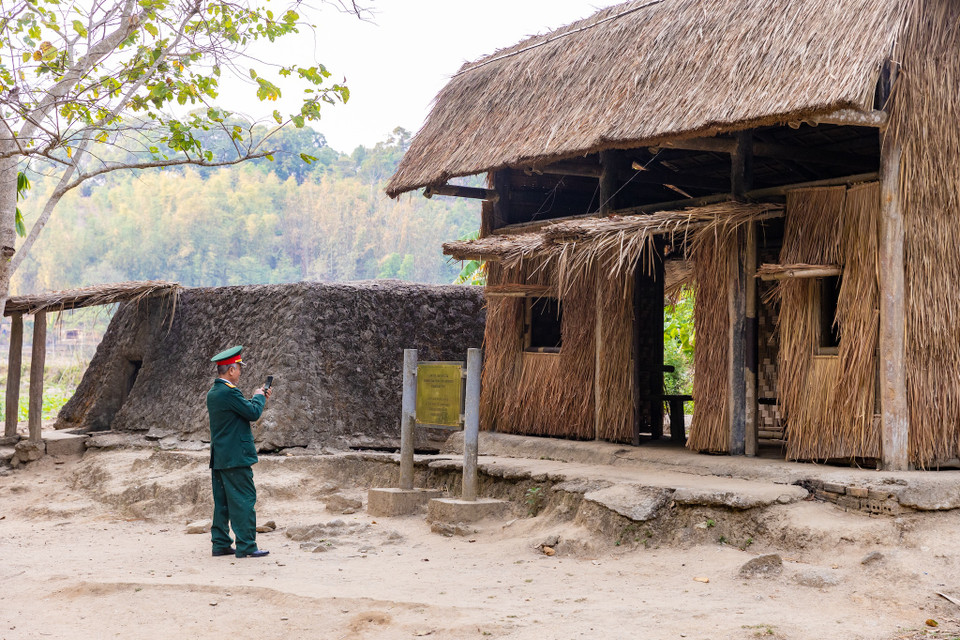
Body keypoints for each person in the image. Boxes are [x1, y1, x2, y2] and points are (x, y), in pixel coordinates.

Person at [207, 345, 272, 559]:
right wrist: (259, 396)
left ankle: (220, 543)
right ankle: (246, 545)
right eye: (239, 368)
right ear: (231, 370)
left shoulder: (214, 392)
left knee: (223, 501)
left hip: (221, 457)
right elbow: (252, 412)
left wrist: (257, 398)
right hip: (235, 457)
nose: (240, 372)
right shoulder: (229, 392)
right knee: (244, 499)